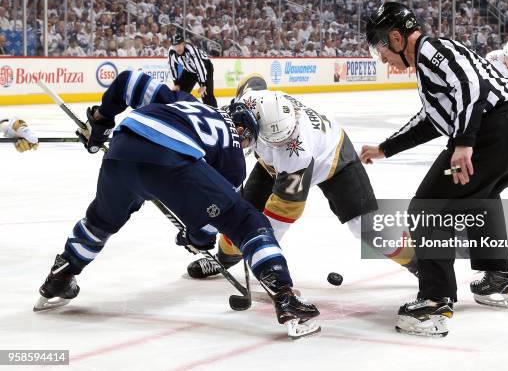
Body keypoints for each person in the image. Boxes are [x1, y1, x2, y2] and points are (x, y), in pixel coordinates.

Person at [33, 70, 320, 339]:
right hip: (172, 159)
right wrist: (195, 238)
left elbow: (127, 82)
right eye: (250, 136)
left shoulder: (183, 100)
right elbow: (209, 221)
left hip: (122, 150)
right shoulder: (234, 162)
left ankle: (62, 274)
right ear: (244, 125)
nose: (246, 144)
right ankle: (285, 296)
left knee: (101, 220)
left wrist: (101, 121)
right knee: (248, 222)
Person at [360, 2, 508, 337]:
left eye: (383, 51)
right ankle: (497, 281)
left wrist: (464, 142)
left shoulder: (432, 49)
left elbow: (470, 86)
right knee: (481, 198)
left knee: (426, 209)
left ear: (397, 38)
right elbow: (431, 120)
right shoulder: (432, 63)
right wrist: (385, 148)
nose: (384, 61)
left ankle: (434, 303)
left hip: (495, 132)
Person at [187, 75, 418, 280]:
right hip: (273, 166)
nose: (279, 145)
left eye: (282, 141)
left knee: (366, 226)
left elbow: (282, 215)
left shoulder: (295, 153)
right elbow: (254, 79)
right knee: (240, 214)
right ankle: (223, 259)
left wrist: (262, 253)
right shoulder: (253, 100)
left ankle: (421, 265)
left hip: (334, 160)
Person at [168, 32, 217, 107]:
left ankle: (214, 114)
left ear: (184, 44)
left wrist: (203, 84)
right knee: (180, 93)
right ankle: (180, 112)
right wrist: (176, 83)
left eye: (180, 45)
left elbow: (199, 66)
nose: (178, 48)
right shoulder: (171, 52)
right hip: (189, 70)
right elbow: (172, 67)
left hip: (205, 68)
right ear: (172, 46)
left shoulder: (190, 49)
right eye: (175, 46)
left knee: (206, 94)